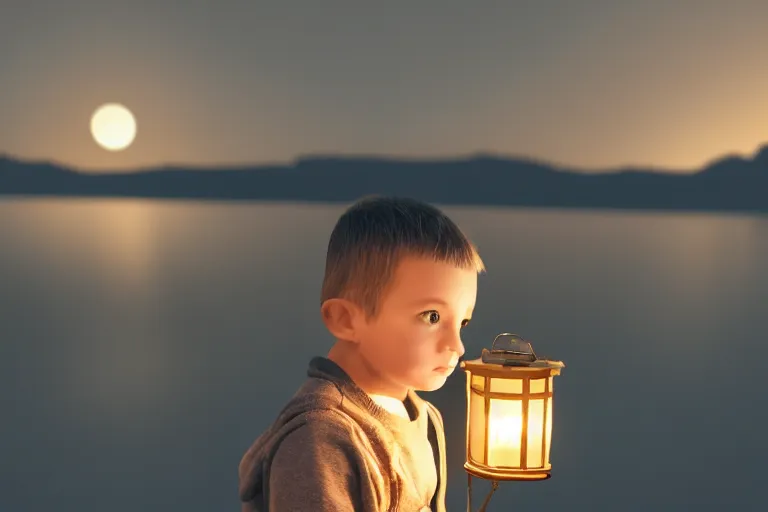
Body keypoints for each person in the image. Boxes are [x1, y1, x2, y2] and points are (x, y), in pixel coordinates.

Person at [238, 196, 485, 511]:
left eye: (462, 321)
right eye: (431, 316)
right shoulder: (320, 441)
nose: (457, 346)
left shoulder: (423, 417)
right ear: (346, 319)